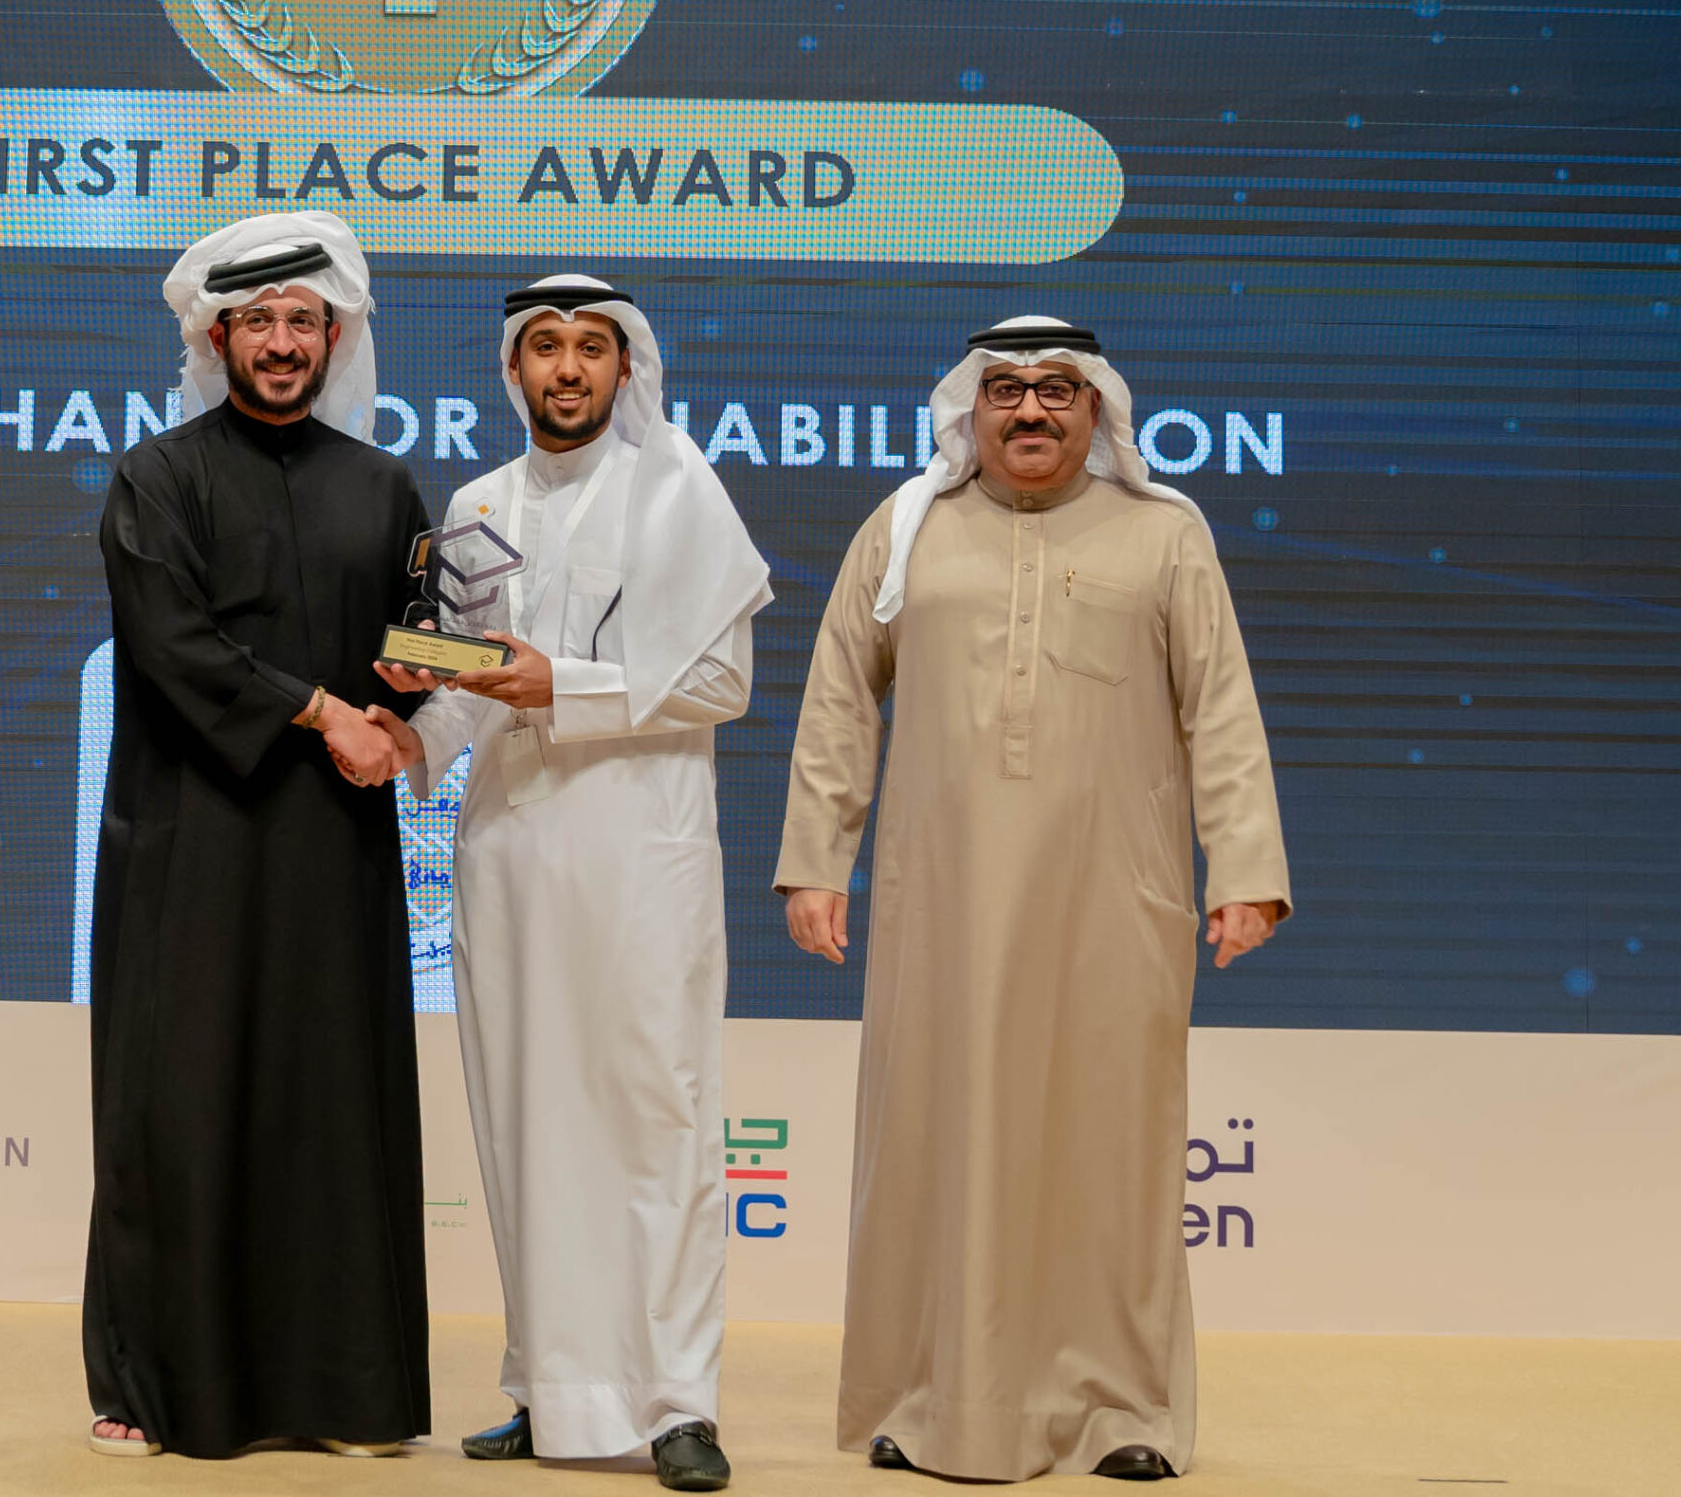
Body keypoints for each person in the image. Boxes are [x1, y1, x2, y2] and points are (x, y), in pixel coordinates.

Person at [777, 315, 1291, 1483]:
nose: (1029, 409)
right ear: (971, 408)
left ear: (1095, 409)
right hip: (939, 900)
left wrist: (1245, 869)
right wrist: (816, 857)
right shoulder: (904, 528)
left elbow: (1220, 707)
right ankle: (921, 1398)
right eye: (1005, 389)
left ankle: (1120, 1407)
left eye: (1056, 389)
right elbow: (839, 698)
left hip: (1114, 898)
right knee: (931, 1143)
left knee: (1110, 1151)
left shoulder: (1164, 534)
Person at [371, 275, 770, 1495]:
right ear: (513, 368)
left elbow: (723, 685)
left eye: (591, 346)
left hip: (639, 850)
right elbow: (460, 682)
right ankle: (550, 1386)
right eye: (544, 346)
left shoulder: (679, 490)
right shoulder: (477, 504)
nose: (567, 367)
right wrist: (402, 737)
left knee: (656, 1118)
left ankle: (677, 1402)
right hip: (508, 851)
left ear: (623, 365)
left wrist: (568, 686)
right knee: (523, 1116)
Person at [83, 213, 432, 1461]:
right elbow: (172, 643)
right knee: (176, 1107)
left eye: (303, 322)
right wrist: (325, 710)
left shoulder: (385, 485)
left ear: (333, 338)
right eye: (258, 322)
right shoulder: (156, 476)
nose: (282, 343)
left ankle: (342, 1390)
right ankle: (151, 1383)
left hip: (333, 847)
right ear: (215, 337)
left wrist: (409, 700)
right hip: (193, 840)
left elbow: (418, 632)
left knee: (329, 1108)